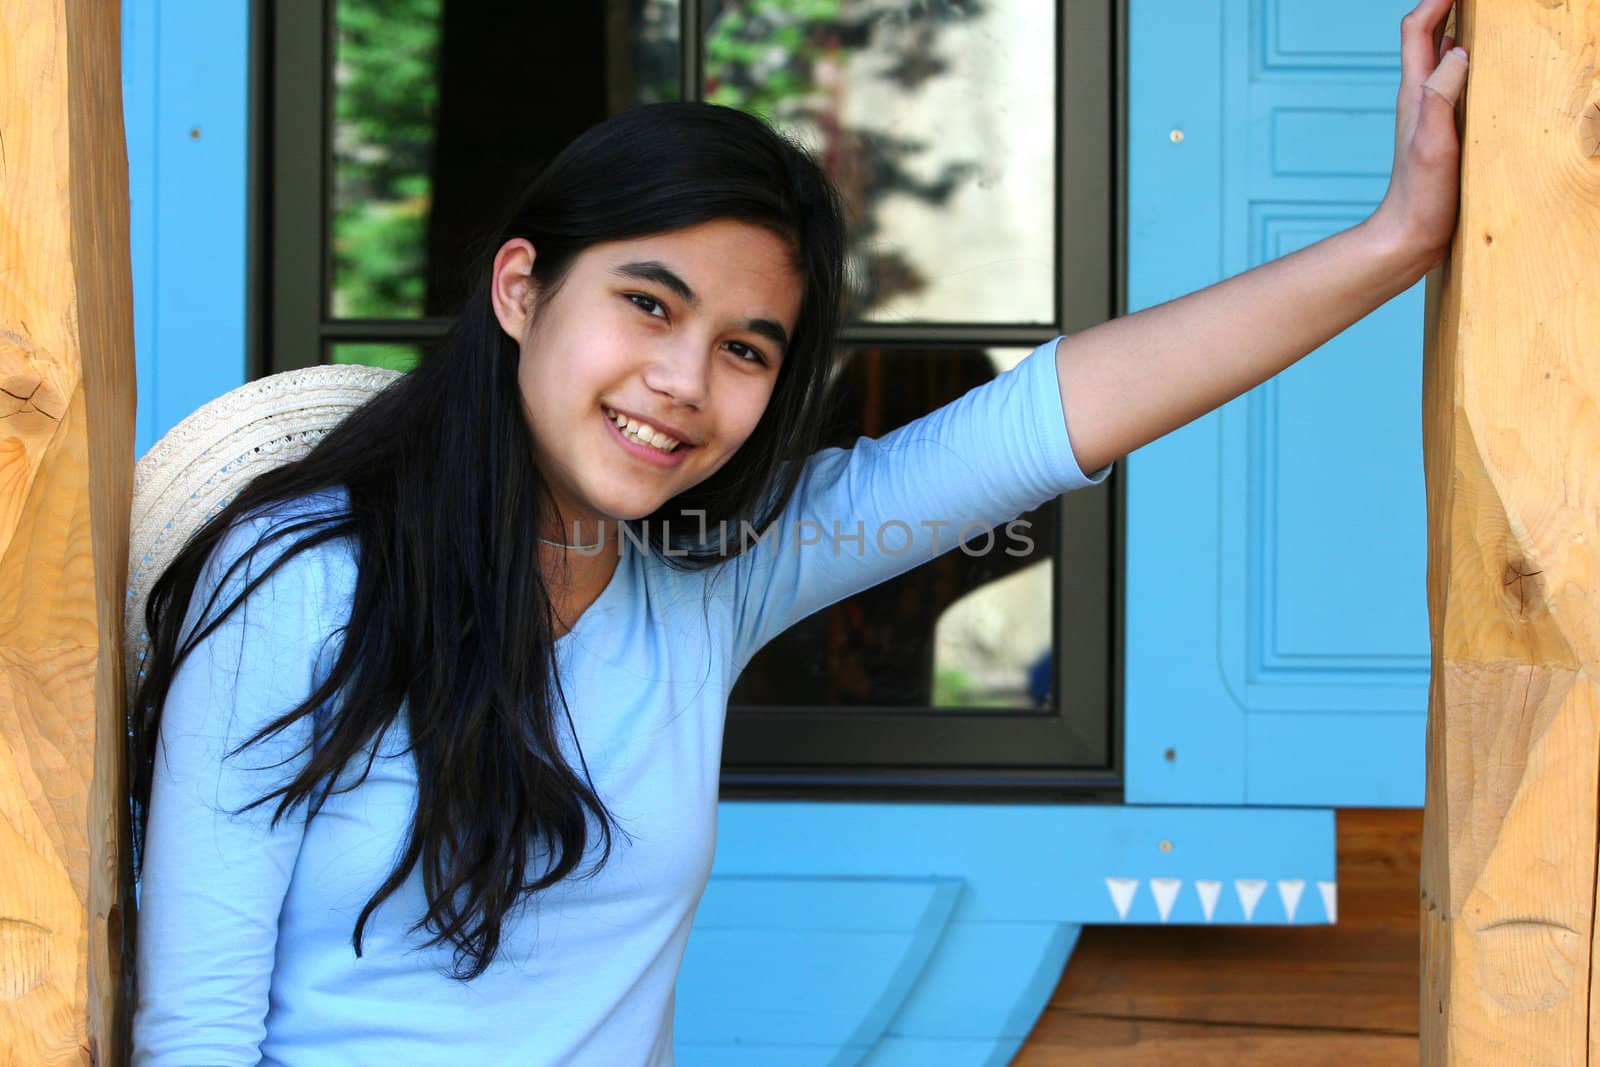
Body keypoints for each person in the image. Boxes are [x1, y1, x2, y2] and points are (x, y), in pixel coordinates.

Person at [130, 2, 1469, 1062]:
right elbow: (196, 1034)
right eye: (648, 306)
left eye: (745, 348)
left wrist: (1394, 240)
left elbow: (1054, 417)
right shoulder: (299, 582)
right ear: (522, 287)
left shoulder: (700, 586)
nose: (684, 384)